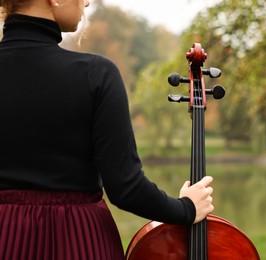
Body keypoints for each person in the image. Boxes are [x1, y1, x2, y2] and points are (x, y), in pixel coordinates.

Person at [0, 0, 214, 259]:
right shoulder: (95, 74)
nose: (87, 2)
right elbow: (127, 189)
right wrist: (186, 208)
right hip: (77, 237)